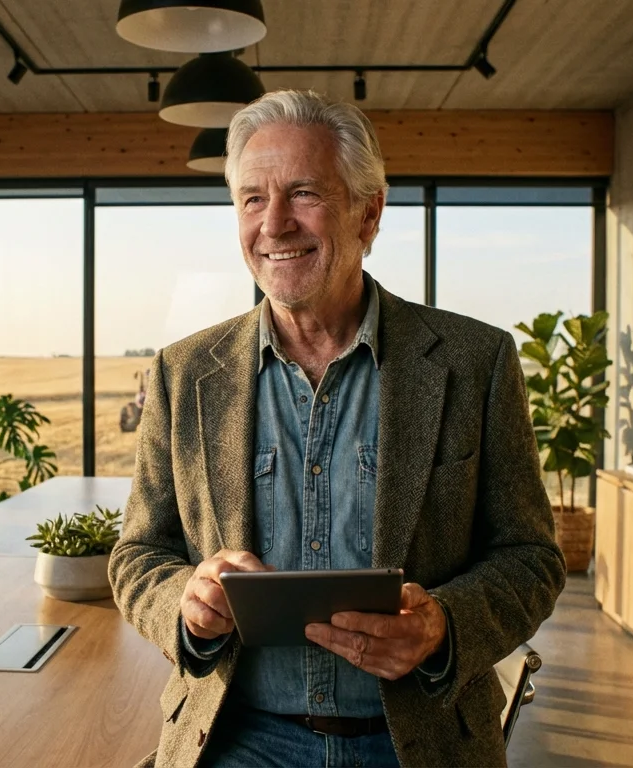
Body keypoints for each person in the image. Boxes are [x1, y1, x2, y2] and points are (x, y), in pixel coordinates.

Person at [109, 89, 566, 768]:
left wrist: (444, 625)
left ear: (369, 212)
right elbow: (137, 554)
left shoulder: (477, 363)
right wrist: (187, 601)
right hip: (238, 740)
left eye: (303, 194)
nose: (275, 225)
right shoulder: (184, 374)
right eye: (252, 199)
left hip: (418, 742)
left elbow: (531, 556)